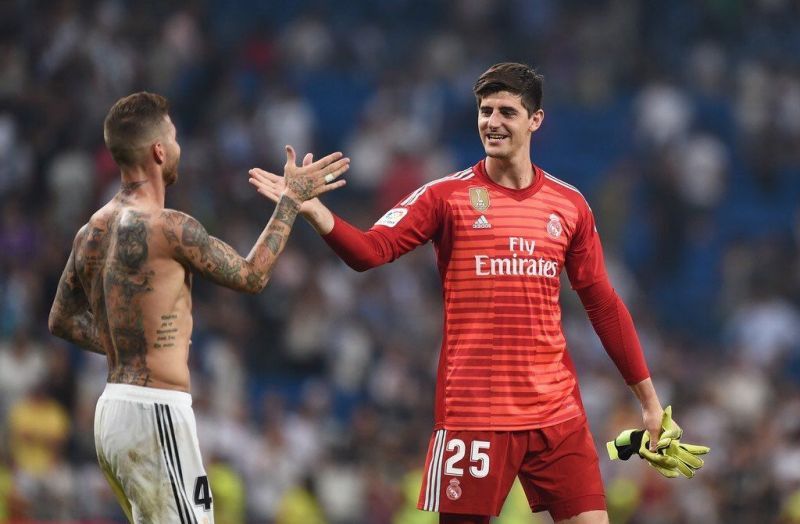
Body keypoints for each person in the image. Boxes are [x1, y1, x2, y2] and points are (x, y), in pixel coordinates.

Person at [248, 62, 691, 524]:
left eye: (506, 111)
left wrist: (649, 401)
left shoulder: (569, 204)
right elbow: (369, 251)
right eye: (485, 111)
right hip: (474, 414)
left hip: (556, 413)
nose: (492, 122)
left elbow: (603, 304)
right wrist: (312, 208)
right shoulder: (446, 196)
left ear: (535, 120)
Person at [47, 91, 349, 523]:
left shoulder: (90, 231)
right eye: (173, 138)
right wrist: (290, 201)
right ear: (157, 150)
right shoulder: (170, 227)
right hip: (155, 412)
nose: (178, 148)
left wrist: (127, 347)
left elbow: (61, 319)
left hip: (111, 412)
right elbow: (252, 276)